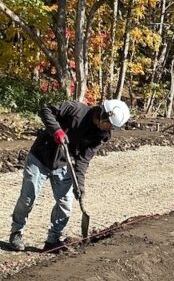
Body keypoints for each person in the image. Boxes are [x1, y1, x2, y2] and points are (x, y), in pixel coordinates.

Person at [8, 98, 130, 252]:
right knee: (27, 198)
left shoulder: (101, 135)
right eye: (110, 125)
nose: (111, 129)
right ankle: (16, 232)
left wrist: (80, 186)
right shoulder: (75, 109)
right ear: (103, 116)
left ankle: (53, 240)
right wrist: (56, 130)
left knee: (65, 204)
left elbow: (83, 160)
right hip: (40, 157)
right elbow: (45, 110)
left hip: (63, 164)